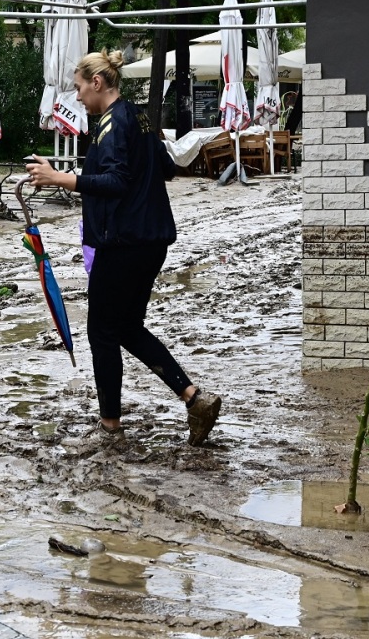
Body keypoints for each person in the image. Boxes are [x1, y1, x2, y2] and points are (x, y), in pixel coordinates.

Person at [25, 49, 222, 447]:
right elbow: (165, 168)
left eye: (79, 87)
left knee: (101, 331)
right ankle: (194, 399)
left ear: (97, 83)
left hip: (124, 243)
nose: (78, 96)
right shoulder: (139, 116)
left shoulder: (113, 123)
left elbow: (116, 181)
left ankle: (110, 425)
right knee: (126, 327)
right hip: (151, 239)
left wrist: (62, 178)